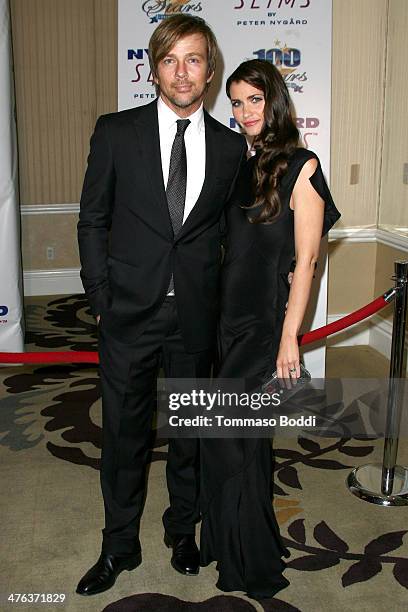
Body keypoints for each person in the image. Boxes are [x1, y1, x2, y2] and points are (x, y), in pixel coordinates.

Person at [76, 15, 247, 596]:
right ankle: (119, 545)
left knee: (190, 435)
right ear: (153, 66)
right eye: (170, 59)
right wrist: (100, 297)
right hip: (127, 312)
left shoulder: (230, 148)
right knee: (123, 437)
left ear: (209, 71)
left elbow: (232, 236)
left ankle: (183, 533)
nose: (182, 71)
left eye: (194, 60)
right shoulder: (116, 132)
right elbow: (93, 219)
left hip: (196, 318)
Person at [199, 60, 341, 600]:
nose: (243, 112)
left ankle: (246, 561)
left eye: (253, 100)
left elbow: (305, 261)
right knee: (248, 440)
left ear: (274, 101)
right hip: (225, 321)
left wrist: (290, 336)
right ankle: (246, 541)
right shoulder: (241, 162)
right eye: (235, 102)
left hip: (263, 325)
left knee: (225, 438)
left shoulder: (302, 165)